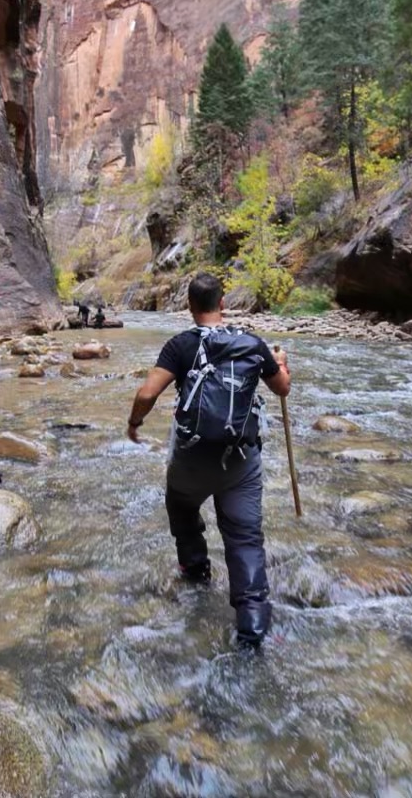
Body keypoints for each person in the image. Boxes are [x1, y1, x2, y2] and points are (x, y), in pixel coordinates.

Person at [126, 272, 291, 648]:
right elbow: (282, 388)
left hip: (191, 459)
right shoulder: (252, 343)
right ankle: (251, 624)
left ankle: (195, 569)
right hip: (239, 463)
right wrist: (280, 364)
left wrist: (134, 423)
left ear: (189, 305)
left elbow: (147, 392)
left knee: (181, 506)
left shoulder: (180, 346)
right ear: (223, 303)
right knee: (245, 538)